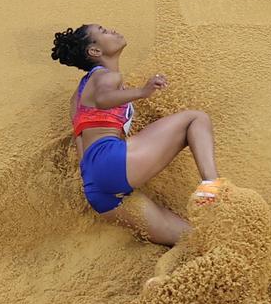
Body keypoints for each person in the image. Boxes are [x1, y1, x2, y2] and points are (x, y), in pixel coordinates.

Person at [51, 23, 226, 248]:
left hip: (97, 189)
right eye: (103, 31)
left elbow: (80, 142)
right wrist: (143, 92)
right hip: (109, 162)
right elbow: (103, 99)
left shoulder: (77, 96)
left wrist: (101, 178)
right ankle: (211, 186)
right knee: (196, 119)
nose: (112, 30)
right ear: (95, 51)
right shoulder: (107, 77)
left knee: (194, 239)